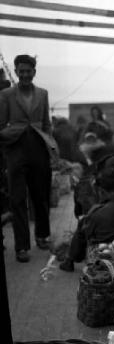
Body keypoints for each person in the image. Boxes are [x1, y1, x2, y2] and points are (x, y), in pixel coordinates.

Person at [0, 54, 58, 262]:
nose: (25, 74)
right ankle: (21, 247)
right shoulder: (6, 94)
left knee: (40, 196)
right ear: (15, 72)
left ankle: (42, 236)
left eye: (28, 71)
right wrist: (11, 136)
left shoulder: (43, 94)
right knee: (17, 199)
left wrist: (51, 146)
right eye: (21, 71)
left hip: (39, 149)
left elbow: (47, 123)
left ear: (34, 72)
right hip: (15, 150)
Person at [59, 169, 114, 272]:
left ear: (100, 191)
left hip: (105, 255)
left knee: (82, 226)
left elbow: (86, 234)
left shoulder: (96, 213)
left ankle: (70, 260)